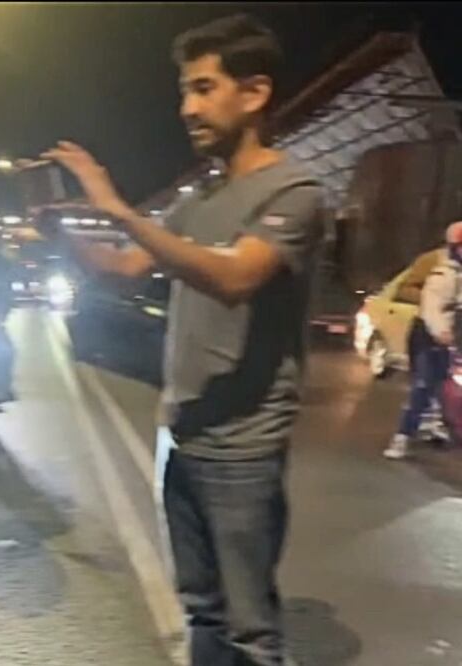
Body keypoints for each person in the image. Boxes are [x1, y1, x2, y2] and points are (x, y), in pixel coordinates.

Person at [35, 14, 326, 666]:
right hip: (184, 433)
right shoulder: (200, 200)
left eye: (203, 88)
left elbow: (234, 277)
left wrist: (122, 212)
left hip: (244, 449)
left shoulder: (295, 193)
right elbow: (125, 267)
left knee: (251, 631)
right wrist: (61, 233)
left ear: (253, 94)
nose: (187, 107)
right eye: (184, 92)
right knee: (201, 608)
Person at [384, 222, 462, 459]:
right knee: (424, 384)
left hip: (452, 333)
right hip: (431, 334)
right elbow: (431, 305)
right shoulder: (441, 271)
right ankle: (403, 435)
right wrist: (440, 332)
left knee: (444, 384)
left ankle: (438, 423)